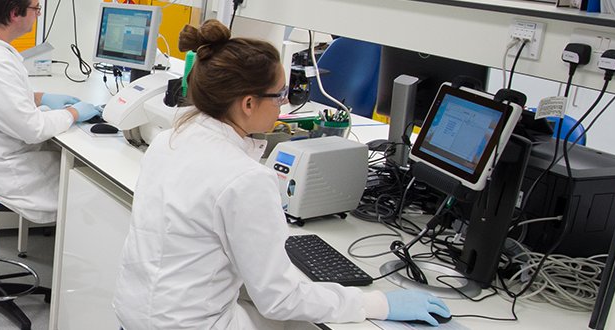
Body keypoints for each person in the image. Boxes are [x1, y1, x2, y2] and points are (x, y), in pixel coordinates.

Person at [112, 20, 450, 329]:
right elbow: (280, 299)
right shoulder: (244, 178)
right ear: (247, 103)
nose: (284, 105)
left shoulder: (170, 139)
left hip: (136, 314)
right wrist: (376, 303)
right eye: (279, 96)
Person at [0, 0, 100, 224]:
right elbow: (33, 129)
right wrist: (74, 113)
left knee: (73, 165)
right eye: (36, 9)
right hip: (4, 173)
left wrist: (40, 98)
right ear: (15, 13)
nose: (38, 14)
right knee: (92, 187)